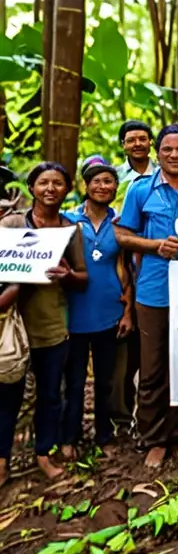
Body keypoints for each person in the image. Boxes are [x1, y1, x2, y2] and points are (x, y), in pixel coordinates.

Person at [115, 124, 178, 468]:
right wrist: (154, 246)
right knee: (153, 366)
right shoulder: (140, 190)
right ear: (157, 153)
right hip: (153, 289)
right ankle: (154, 438)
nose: (175, 155)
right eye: (168, 149)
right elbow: (122, 235)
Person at [0, 162, 88, 483]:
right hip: (11, 327)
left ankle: (43, 453)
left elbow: (82, 278)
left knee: (51, 395)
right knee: (7, 398)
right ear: (32, 188)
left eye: (58, 184)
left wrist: (68, 276)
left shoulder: (70, 230)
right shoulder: (10, 224)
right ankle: (1, 460)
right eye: (43, 183)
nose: (51, 189)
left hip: (52, 326)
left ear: (67, 189)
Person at [60, 159, 132, 460]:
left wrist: (128, 311)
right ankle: (68, 438)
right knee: (74, 381)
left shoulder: (123, 222)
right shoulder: (67, 220)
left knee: (105, 380)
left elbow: (127, 267)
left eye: (109, 181)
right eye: (97, 181)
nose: (103, 186)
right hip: (73, 314)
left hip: (109, 313)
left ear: (116, 187)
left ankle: (105, 434)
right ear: (85, 186)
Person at [116, 120, 157, 187]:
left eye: (142, 139)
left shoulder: (163, 172)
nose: (137, 144)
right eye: (131, 140)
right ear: (123, 144)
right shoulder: (116, 176)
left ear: (150, 142)